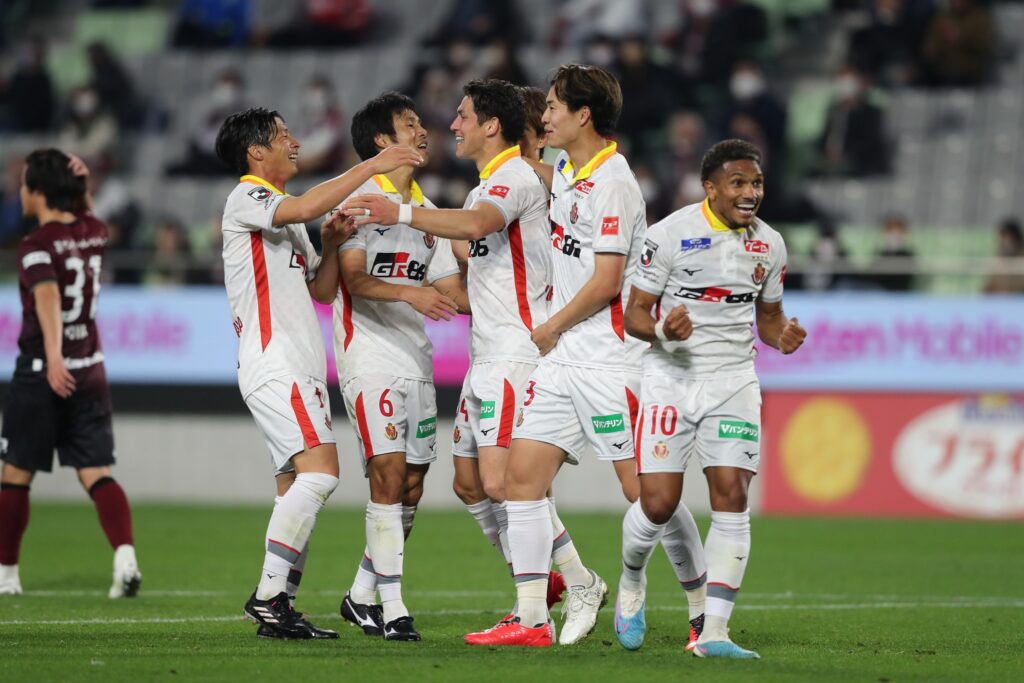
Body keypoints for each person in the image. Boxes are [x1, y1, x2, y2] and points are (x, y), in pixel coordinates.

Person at [344, 79, 593, 644]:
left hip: (515, 356)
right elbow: (470, 250)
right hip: (487, 357)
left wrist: (402, 212)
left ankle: (560, 592)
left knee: (507, 484)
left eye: (462, 116)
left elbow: (476, 226)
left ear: (491, 125)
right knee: (469, 483)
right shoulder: (489, 185)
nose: (451, 126)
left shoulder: (513, 177)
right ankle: (550, 585)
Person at [465, 64, 705, 648]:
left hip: (609, 360)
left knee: (647, 495)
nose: (544, 116)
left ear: (583, 115)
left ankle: (701, 606)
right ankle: (531, 619)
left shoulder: (616, 184)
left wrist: (550, 326)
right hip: (561, 363)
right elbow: (539, 180)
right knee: (520, 482)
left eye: (552, 106)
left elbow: (606, 282)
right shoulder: (571, 171)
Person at [214, 106, 421, 639]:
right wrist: (372, 165)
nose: (295, 143)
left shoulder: (289, 222)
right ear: (256, 151)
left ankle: (279, 604)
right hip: (275, 360)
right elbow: (307, 204)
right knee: (322, 473)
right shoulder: (248, 196)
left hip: (297, 364)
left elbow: (323, 292)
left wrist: (328, 246)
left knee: (294, 485)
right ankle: (266, 597)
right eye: (283, 136)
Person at [617, 139, 806, 659]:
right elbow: (634, 315)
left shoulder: (770, 244)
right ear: (710, 188)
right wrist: (663, 330)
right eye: (738, 183)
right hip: (670, 379)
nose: (750, 193)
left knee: (732, 495)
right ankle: (632, 579)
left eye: (757, 183)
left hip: (733, 381)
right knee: (658, 504)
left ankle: (714, 634)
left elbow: (769, 319)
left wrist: (782, 337)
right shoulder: (669, 235)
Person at [333, 92, 467, 642]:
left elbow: (450, 289)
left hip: (415, 359)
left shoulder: (425, 211)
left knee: (411, 485)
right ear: (382, 141)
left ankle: (360, 595)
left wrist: (509, 301)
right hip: (369, 356)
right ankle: (393, 609)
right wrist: (412, 295)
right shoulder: (359, 201)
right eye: (409, 124)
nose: (423, 131)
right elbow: (352, 279)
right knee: (387, 476)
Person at [0, 149, 142, 598]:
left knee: (15, 474)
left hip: (44, 371)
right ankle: (125, 558)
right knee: (96, 471)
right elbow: (86, 216)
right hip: (91, 370)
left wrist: (53, 357)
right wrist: (81, 186)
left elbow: (46, 297)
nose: (20, 191)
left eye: (25, 184)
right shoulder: (93, 232)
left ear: (39, 192)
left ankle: (6, 576)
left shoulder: (35, 244)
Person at [984, 218, 1024, 293]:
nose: (1003, 243)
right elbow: (989, 287)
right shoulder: (999, 259)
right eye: (1001, 239)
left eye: (1007, 239)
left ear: (1016, 239)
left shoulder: (1021, 258)